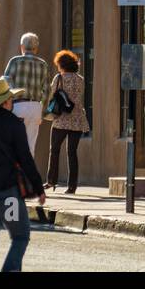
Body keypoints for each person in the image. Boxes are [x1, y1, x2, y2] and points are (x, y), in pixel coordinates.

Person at [0, 77, 46, 272]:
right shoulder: (15, 125)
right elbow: (25, 159)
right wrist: (39, 189)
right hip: (7, 196)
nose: (12, 102)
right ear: (5, 102)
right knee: (20, 236)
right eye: (11, 99)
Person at [45, 50, 90, 193]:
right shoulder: (80, 79)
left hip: (61, 119)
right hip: (77, 118)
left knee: (55, 150)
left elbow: (52, 95)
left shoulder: (59, 78)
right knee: (72, 152)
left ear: (61, 64)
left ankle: (51, 181)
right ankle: (72, 186)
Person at [3, 33, 50, 153]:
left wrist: (8, 104)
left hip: (17, 105)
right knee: (30, 147)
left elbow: (6, 82)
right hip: (35, 107)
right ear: (36, 48)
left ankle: (15, 171)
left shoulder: (15, 61)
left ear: (22, 47)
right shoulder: (42, 64)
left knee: (13, 145)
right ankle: (27, 171)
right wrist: (42, 111)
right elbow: (47, 90)